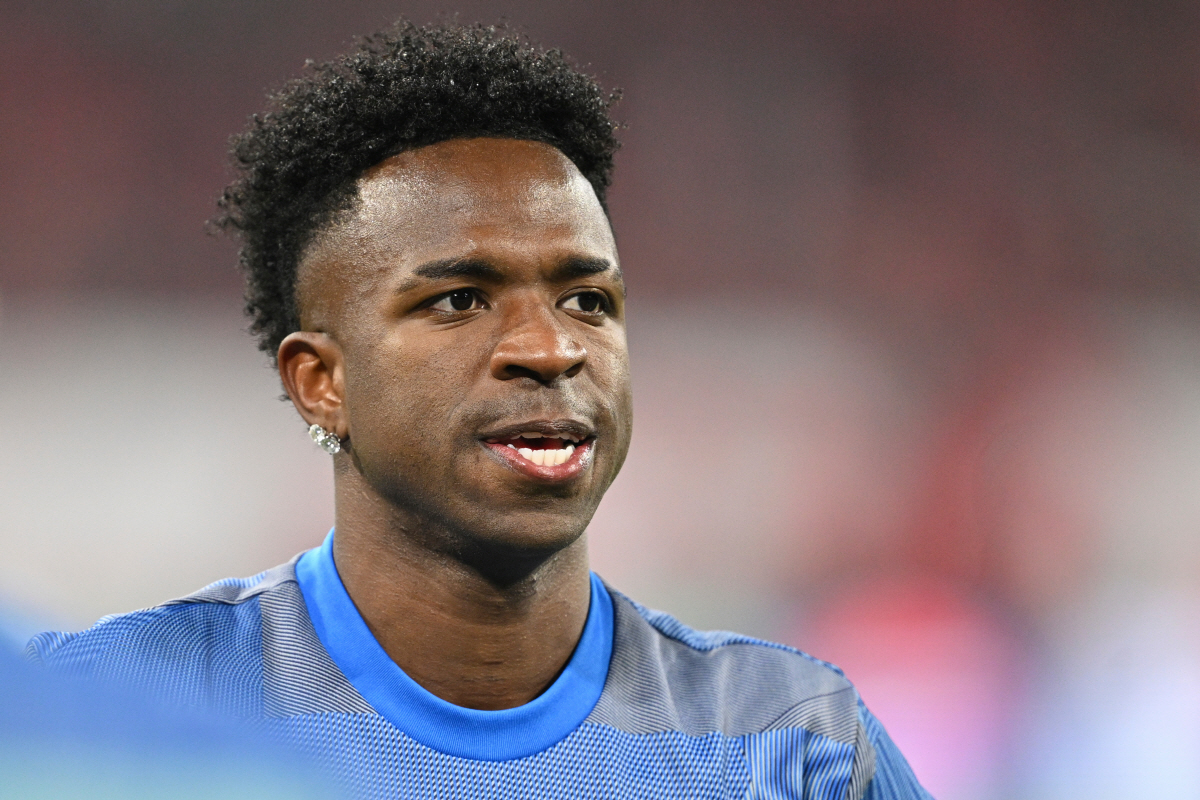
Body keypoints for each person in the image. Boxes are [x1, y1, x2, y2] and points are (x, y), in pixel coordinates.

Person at [28, 20, 932, 800]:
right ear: (320, 383)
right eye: (460, 300)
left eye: (588, 300)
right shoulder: (112, 711)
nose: (550, 349)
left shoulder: (788, 742)